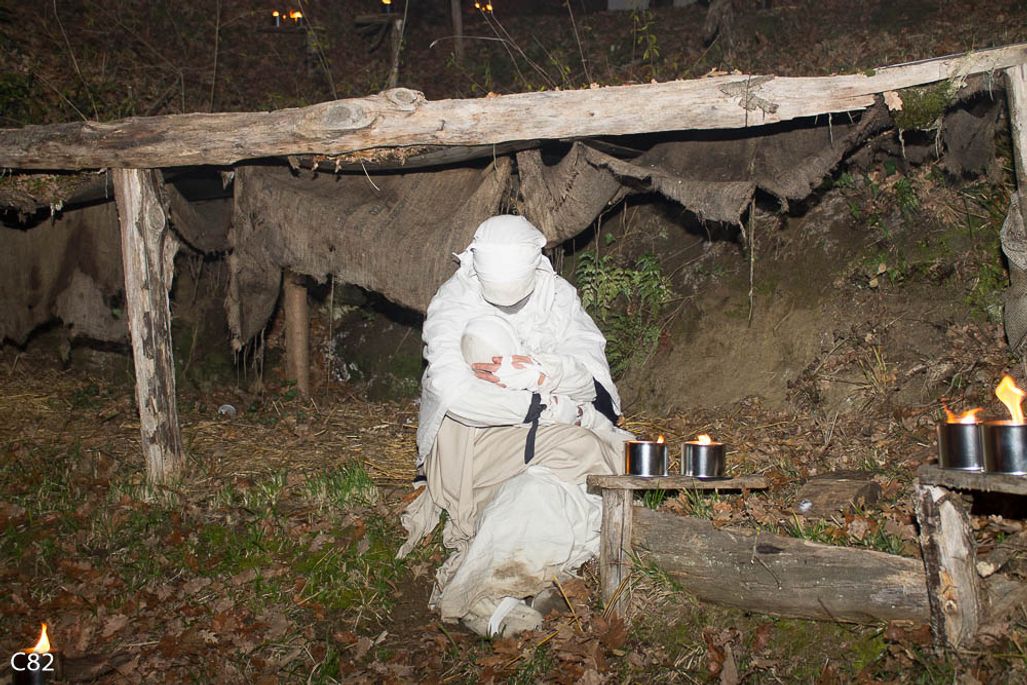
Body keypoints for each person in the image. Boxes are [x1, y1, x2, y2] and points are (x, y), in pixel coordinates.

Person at [398, 214, 632, 636]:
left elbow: (594, 384)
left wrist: (543, 371)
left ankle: (517, 580)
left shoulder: (557, 297)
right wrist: (541, 406)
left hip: (540, 433)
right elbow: (456, 395)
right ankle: (489, 595)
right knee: (591, 453)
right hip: (472, 443)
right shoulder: (454, 302)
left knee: (547, 489)